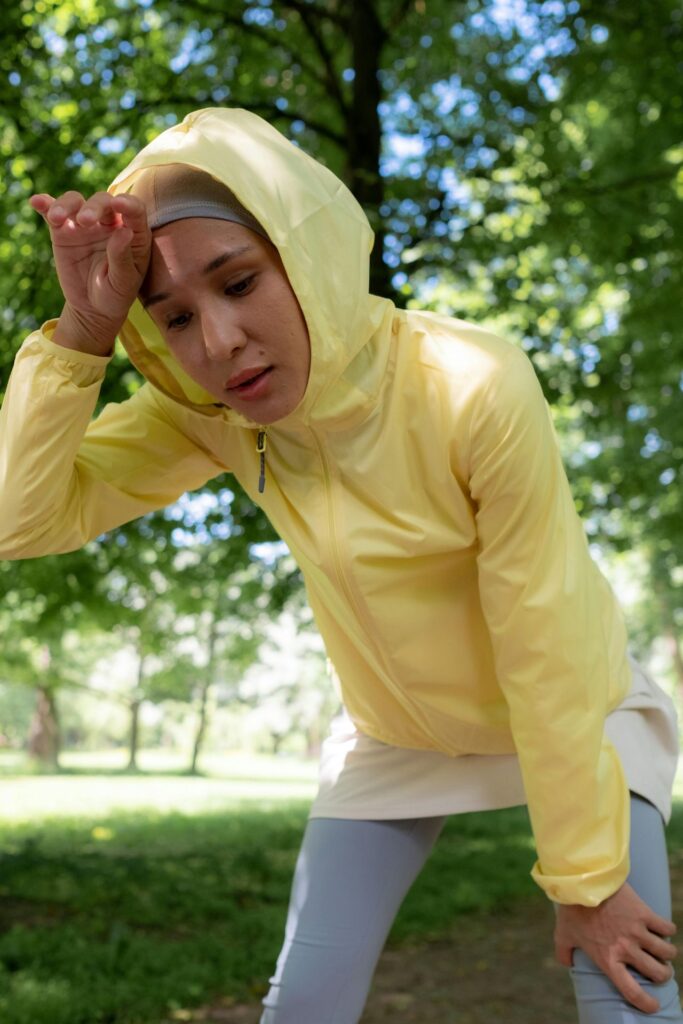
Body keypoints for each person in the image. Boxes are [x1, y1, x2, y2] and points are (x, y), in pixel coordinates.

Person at [0, 107, 680, 1023]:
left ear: (303, 255)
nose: (220, 341)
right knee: (303, 1010)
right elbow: (22, 519)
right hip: (393, 735)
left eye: (238, 282)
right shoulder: (216, 413)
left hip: (576, 711)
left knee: (628, 991)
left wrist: (585, 880)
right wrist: (82, 335)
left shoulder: (472, 381)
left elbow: (541, 632)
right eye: (174, 317)